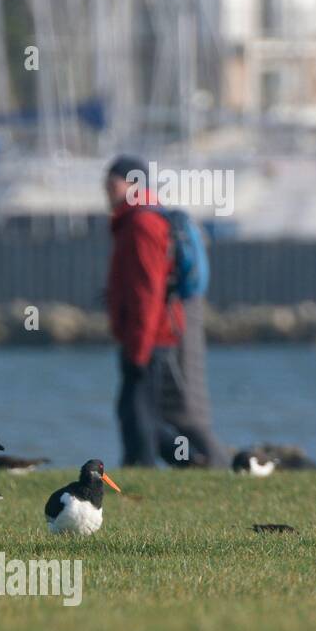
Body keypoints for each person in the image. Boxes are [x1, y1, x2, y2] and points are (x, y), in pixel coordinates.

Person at [104, 156, 226, 468]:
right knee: (135, 408)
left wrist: (139, 348)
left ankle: (144, 468)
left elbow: (148, 291)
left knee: (137, 410)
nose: (106, 188)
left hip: (149, 334)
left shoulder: (141, 224)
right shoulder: (136, 221)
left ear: (133, 184)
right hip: (150, 332)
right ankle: (190, 461)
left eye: (113, 181)